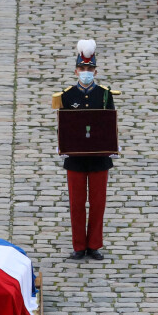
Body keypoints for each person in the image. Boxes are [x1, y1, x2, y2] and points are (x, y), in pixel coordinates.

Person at [53, 40, 115, 261]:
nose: (86, 72)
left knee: (98, 203)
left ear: (95, 71)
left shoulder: (105, 95)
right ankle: (79, 245)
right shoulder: (67, 96)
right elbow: (63, 125)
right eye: (82, 69)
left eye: (89, 69)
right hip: (76, 159)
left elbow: (110, 124)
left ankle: (94, 244)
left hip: (99, 158)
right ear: (75, 71)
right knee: (77, 203)